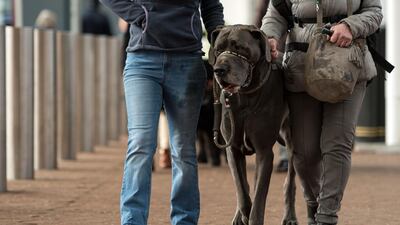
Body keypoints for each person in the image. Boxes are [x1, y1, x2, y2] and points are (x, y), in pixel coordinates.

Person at [100, 0, 224, 225]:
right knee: (140, 144)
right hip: (142, 61)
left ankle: (184, 220)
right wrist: (140, 15)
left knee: (184, 150)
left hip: (187, 62)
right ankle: (132, 220)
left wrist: (218, 37)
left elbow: (211, 5)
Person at [261, 0, 382, 224]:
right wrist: (268, 36)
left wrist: (350, 26)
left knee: (337, 144)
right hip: (300, 70)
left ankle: (326, 216)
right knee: (305, 153)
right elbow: (276, 14)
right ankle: (314, 203)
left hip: (348, 69)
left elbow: (374, 12)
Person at [254, 0, 289, 173]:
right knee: (281, 108)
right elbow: (259, 21)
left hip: (291, 53)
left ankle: (287, 155)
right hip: (276, 56)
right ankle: (284, 156)